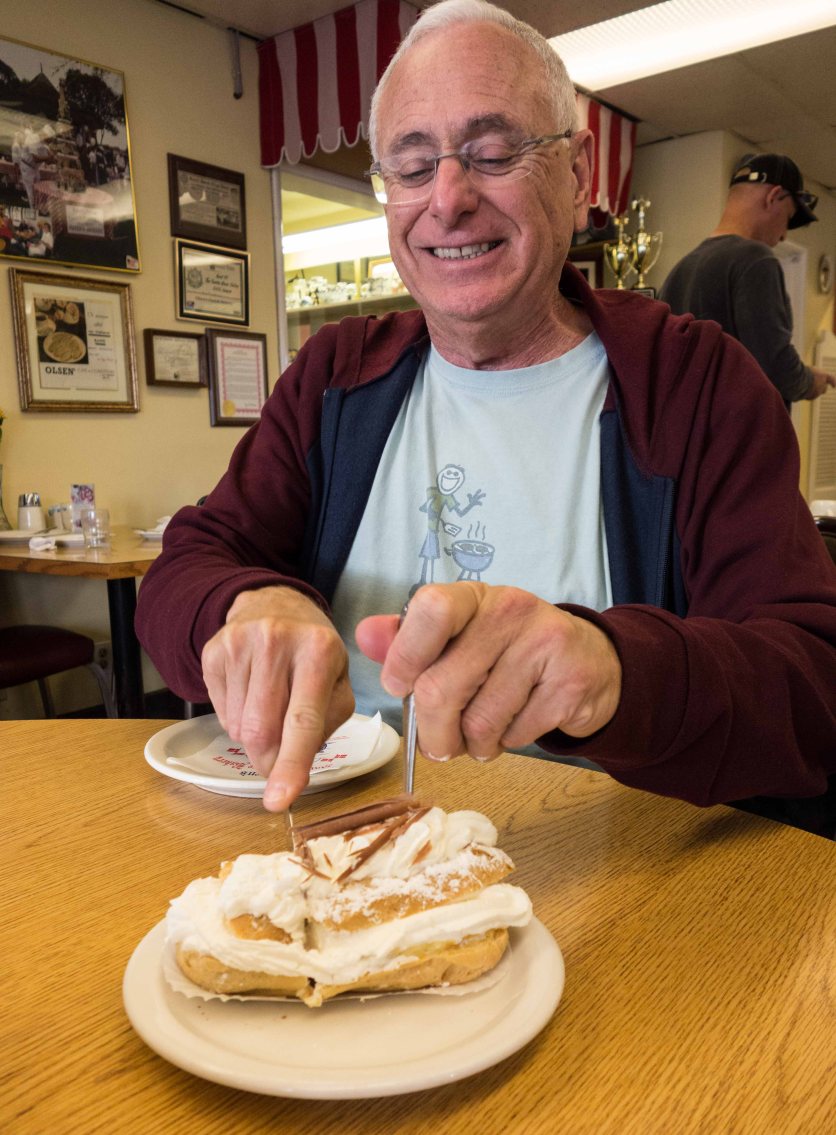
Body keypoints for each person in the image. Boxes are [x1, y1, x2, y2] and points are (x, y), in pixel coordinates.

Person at [136, 0, 836, 834]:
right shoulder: (335, 374)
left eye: (493, 152)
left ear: (577, 175)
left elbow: (812, 688)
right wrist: (243, 604)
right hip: (333, 855)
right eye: (412, 164)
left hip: (617, 884)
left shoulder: (697, 381)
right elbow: (186, 566)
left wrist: (615, 670)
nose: (449, 198)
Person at [660, 153, 836, 408]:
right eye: (787, 219)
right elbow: (775, 365)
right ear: (773, 196)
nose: (784, 236)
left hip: (692, 433)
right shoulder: (755, 258)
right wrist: (809, 382)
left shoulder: (682, 268)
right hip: (740, 437)